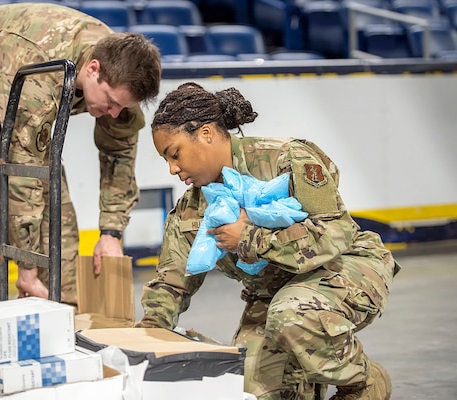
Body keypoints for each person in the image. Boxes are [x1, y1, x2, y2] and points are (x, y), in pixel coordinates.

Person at [136, 82, 401, 400]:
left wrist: (248, 238)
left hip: (343, 267)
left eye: (174, 154)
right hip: (274, 296)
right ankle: (305, 378)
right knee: (248, 390)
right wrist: (149, 330)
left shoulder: (286, 159)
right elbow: (172, 284)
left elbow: (334, 232)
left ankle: (364, 380)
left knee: (294, 315)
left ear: (206, 133)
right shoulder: (192, 210)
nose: (172, 169)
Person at [0, 3, 161, 314]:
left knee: (58, 215)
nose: (113, 113)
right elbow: (23, 170)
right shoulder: (41, 70)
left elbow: (120, 157)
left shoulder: (121, 77)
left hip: (10, 82)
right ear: (93, 69)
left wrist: (111, 233)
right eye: (109, 101)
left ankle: (65, 325)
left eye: (122, 107)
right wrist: (26, 268)